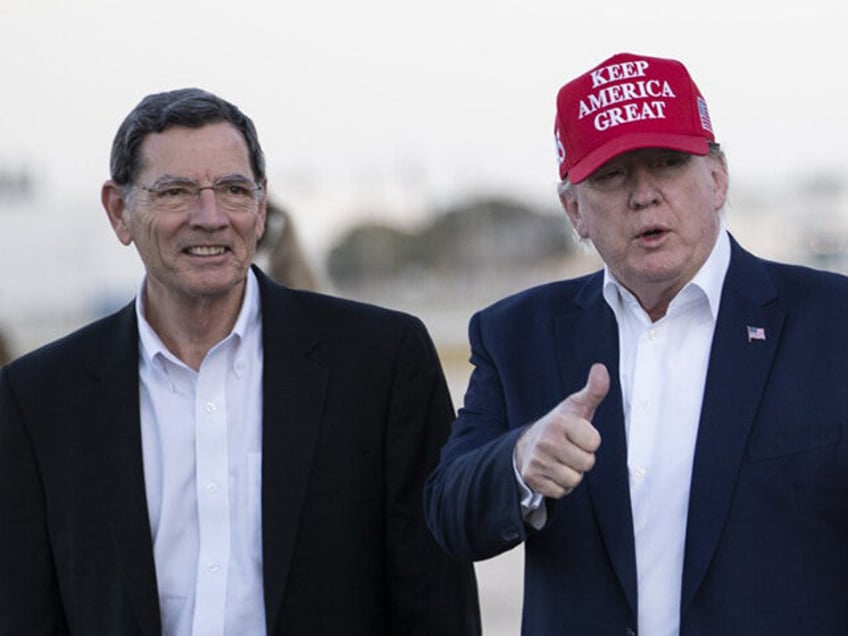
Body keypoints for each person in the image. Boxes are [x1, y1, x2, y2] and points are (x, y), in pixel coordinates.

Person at [0, 87, 480, 635]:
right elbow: (24, 612)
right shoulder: (39, 398)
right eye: (176, 191)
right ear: (119, 211)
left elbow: (436, 601)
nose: (210, 218)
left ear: (260, 205)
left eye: (233, 190)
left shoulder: (380, 364)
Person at [424, 52, 848, 635]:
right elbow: (448, 513)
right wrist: (520, 463)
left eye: (669, 163)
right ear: (574, 209)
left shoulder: (832, 322)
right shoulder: (517, 334)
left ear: (718, 178)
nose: (644, 195)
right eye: (612, 176)